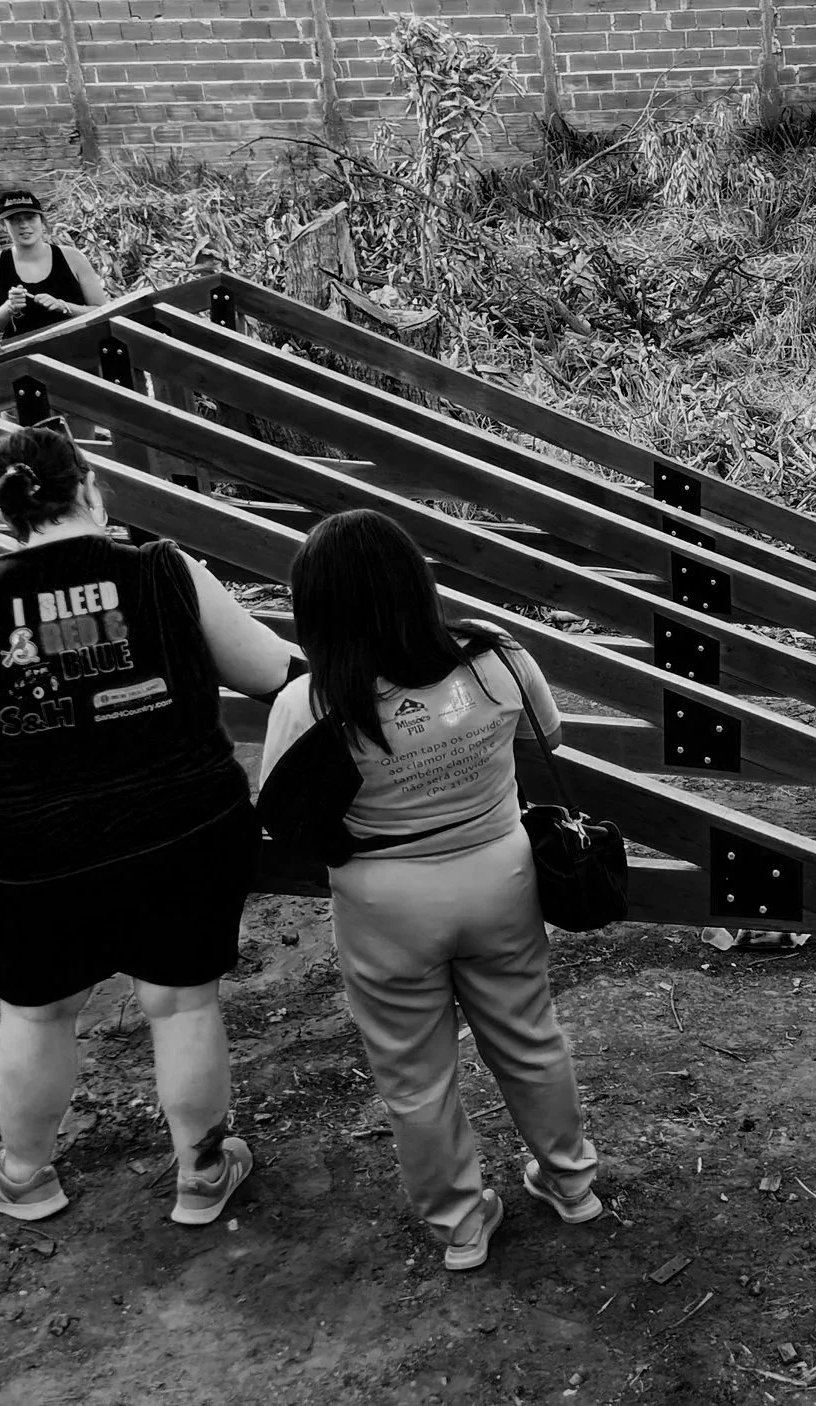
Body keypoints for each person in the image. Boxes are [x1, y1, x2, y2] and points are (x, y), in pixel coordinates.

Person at [0, 418, 303, 1222]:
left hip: (33, 850)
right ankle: (202, 1175)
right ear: (89, 487)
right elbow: (271, 672)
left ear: (0, 512)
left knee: (38, 1011)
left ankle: (25, 1176)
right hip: (182, 827)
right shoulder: (163, 569)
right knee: (182, 1003)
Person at [257, 509, 602, 1273]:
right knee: (529, 1033)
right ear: (418, 583)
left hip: (386, 901)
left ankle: (462, 1226)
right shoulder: (496, 658)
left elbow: (284, 816)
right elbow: (548, 736)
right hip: (499, 875)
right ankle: (573, 1182)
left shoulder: (311, 703)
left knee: (414, 1073)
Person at [0, 189, 110, 341]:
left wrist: (64, 306)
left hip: (77, 348)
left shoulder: (73, 258)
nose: (24, 225)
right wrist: (8, 308)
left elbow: (103, 312)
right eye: (14, 220)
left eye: (30, 218)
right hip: (23, 353)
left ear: (42, 220)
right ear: (3, 225)